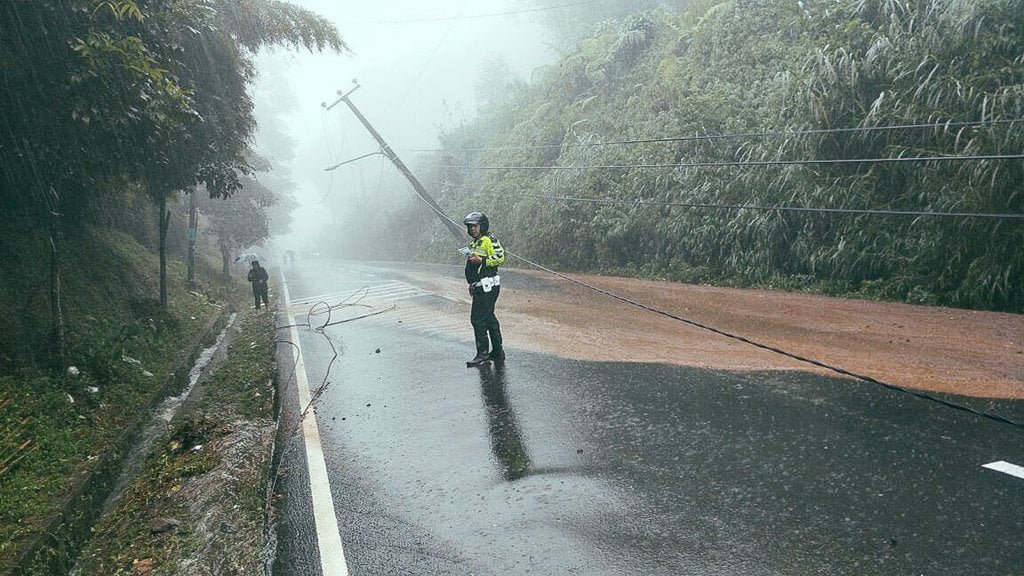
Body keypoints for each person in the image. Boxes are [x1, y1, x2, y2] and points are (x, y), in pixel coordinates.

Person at [463, 211, 506, 366]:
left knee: (478, 319)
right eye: (470, 227)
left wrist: (482, 260)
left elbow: (500, 257)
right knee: (488, 318)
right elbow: (472, 267)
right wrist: (471, 284)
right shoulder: (475, 243)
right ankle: (498, 352)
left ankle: (483, 354)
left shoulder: (490, 239)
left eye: (475, 226)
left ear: (482, 225)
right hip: (480, 286)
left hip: (488, 286)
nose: (472, 229)